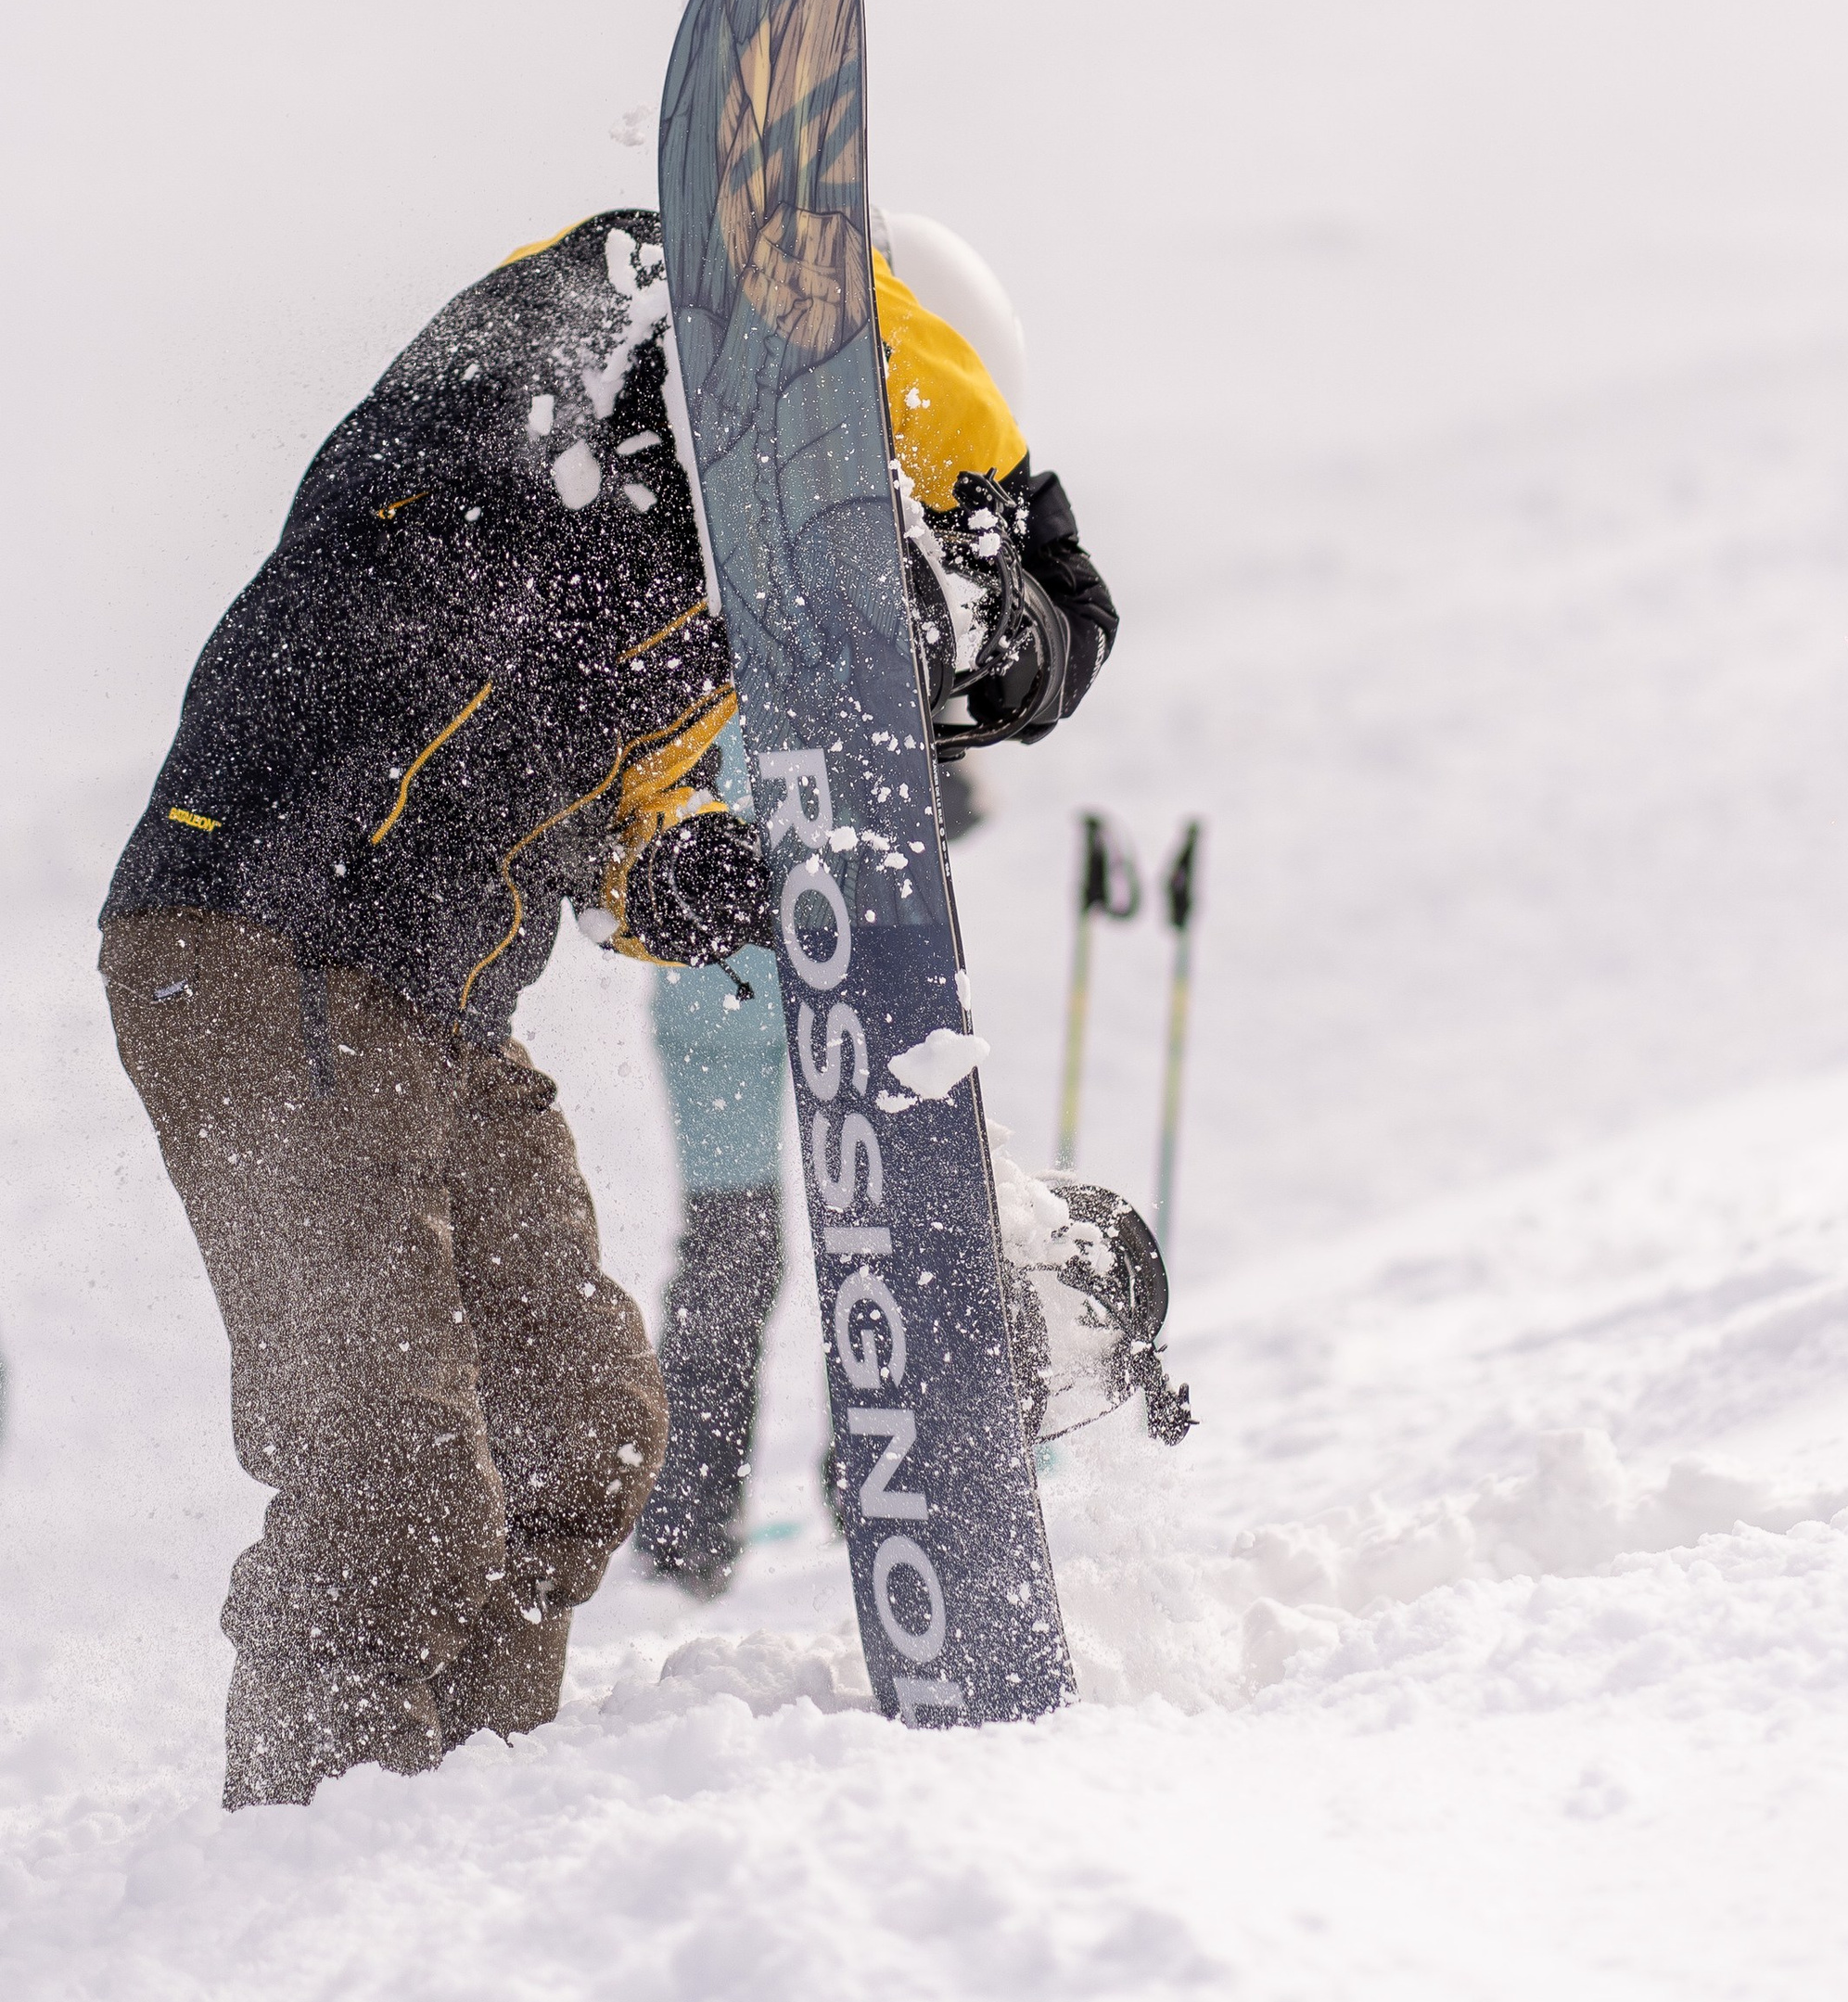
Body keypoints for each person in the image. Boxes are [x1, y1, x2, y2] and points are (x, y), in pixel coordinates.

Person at [98, 207, 1115, 1808]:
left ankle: (468, 1813)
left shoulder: (663, 569)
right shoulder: (601, 323)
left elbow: (608, 803)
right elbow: (767, 312)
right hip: (254, 942)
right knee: (393, 1479)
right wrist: (998, 508)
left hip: (430, 1002)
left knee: (584, 1429)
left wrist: (683, 871)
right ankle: (300, 1862)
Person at [631, 214, 1022, 1597]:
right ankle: (858, 1482)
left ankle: (692, 1516)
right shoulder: (821, 625)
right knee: (879, 1228)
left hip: (719, 988)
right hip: (785, 976)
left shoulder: (709, 608)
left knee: (744, 1246)